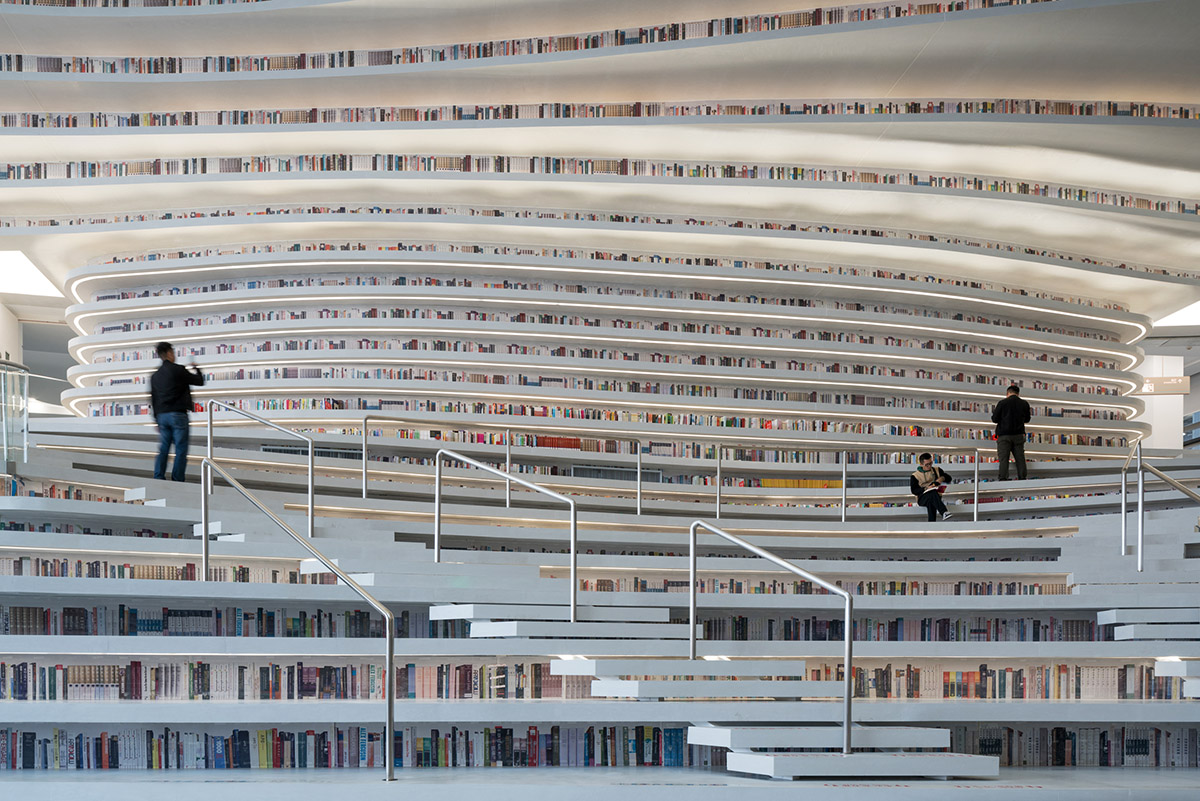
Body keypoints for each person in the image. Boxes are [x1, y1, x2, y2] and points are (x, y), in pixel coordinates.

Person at [150, 341, 204, 482]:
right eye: (173, 352)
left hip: (162, 416)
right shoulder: (178, 370)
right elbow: (199, 381)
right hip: (177, 415)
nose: (174, 355)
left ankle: (158, 476)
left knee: (164, 448)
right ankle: (177, 479)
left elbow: (153, 399)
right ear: (169, 353)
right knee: (180, 449)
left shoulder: (155, 376)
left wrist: (156, 419)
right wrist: (196, 368)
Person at [992, 384, 1031, 480]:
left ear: (1007, 393)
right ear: (1018, 393)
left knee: (1004, 458)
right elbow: (1027, 419)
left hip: (1004, 436)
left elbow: (994, 419)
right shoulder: (1024, 404)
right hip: (1018, 435)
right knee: (1020, 458)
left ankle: (1003, 478)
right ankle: (1022, 477)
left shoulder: (1002, 403)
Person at [910, 452, 953, 522]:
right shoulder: (915, 476)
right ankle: (944, 512)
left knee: (931, 501)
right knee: (932, 494)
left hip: (935, 495)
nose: (929, 466)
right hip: (922, 498)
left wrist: (941, 479)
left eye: (931, 463)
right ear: (921, 464)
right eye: (927, 465)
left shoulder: (937, 470)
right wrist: (926, 488)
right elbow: (914, 490)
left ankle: (932, 523)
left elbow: (949, 478)